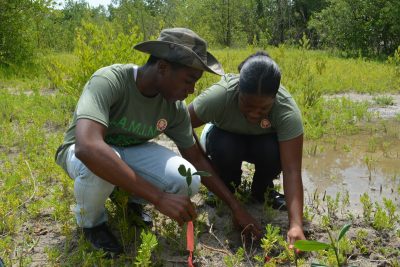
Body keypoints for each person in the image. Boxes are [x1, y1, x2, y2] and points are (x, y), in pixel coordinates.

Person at [55, 28, 262, 257]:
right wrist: (158, 197)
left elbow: (196, 159)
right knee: (99, 165)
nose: (192, 90)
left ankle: (130, 203)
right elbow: (87, 147)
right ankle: (92, 224)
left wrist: (236, 207)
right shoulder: (110, 81)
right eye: (189, 80)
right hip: (80, 153)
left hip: (130, 152)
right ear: (163, 67)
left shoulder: (174, 108)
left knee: (188, 178)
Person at [188, 51, 306, 246]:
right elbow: (182, 123)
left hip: (261, 144)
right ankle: (225, 185)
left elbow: (292, 169)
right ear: (238, 91)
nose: (254, 114)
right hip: (222, 138)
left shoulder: (286, 110)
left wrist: (296, 225)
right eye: (247, 105)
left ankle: (261, 191)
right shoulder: (222, 94)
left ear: (274, 98)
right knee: (225, 145)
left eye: (262, 109)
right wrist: (206, 169)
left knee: (272, 150)